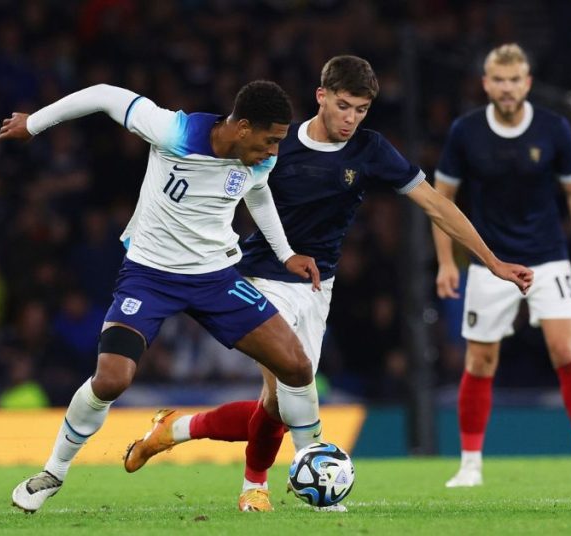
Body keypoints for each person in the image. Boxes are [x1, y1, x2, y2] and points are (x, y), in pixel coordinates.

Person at [121, 55, 534, 512]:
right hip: (260, 274)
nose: (351, 119)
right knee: (293, 383)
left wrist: (492, 261)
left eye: (361, 110)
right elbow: (215, 182)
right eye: (343, 106)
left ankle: (174, 431)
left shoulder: (371, 150)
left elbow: (436, 205)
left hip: (318, 286)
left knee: (277, 406)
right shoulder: (276, 144)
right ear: (321, 96)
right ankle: (265, 487)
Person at [0, 80, 327, 514]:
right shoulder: (175, 131)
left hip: (216, 277)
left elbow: (259, 194)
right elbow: (103, 94)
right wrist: (34, 123)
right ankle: (53, 472)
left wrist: (285, 254)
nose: (273, 151)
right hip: (149, 277)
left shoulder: (257, 161)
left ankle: (315, 472)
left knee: (297, 364)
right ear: (243, 127)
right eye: (269, 140)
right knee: (112, 379)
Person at [433, 44, 571, 487]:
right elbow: (440, 200)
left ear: (527, 83)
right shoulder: (466, 131)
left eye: (515, 80)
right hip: (491, 262)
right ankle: (470, 464)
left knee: (565, 350)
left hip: (549, 257)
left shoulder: (553, 128)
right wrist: (445, 262)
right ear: (487, 83)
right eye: (499, 80)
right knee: (480, 361)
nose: (507, 88)